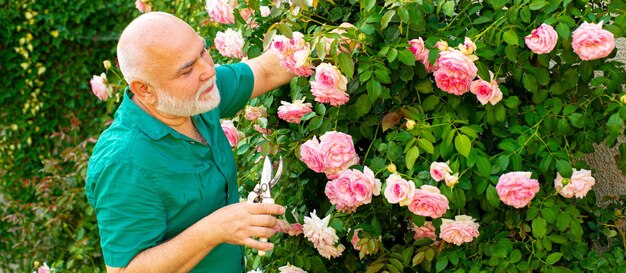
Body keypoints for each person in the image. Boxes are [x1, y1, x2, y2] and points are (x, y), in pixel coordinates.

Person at [85, 11, 295, 272]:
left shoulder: (196, 95)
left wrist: (332, 44)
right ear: (144, 90)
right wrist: (213, 230)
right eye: (186, 70)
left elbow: (265, 71)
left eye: (202, 51)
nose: (208, 70)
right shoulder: (125, 163)